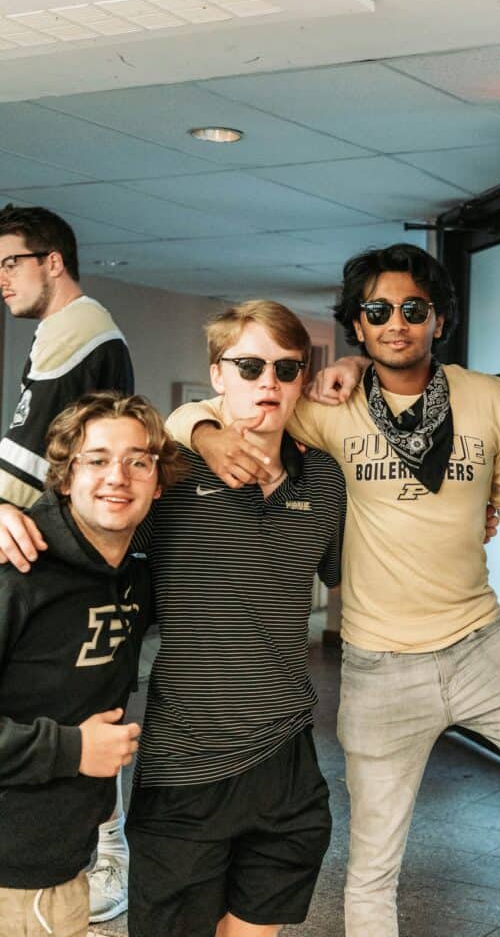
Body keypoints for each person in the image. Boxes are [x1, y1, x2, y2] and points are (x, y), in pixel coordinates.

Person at [166, 245, 500, 937]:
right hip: (376, 667)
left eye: (412, 309)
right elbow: (210, 413)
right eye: (376, 311)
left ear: (437, 320)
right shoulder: (322, 406)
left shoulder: (484, 397)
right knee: (371, 865)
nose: (395, 322)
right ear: (357, 326)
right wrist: (208, 431)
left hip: (481, 645)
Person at [0, 301, 346, 936]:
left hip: (287, 757)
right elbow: (91, 504)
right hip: (184, 766)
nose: (267, 381)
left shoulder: (323, 480)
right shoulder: (170, 484)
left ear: (303, 378)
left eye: (286, 367)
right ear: (217, 375)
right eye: (248, 365)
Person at [0, 392, 183, 937]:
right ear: (63, 477)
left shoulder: (133, 574)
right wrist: (74, 749)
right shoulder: (16, 570)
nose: (117, 477)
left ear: (157, 480)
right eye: (96, 459)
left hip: (64, 865)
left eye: (137, 461)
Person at [0, 203, 135, 924]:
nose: (0, 280)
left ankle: (103, 847)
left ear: (52, 261)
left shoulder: (76, 327)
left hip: (63, 555)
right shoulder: (73, 330)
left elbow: (24, 457)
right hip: (66, 556)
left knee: (87, 703)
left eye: (10, 262)